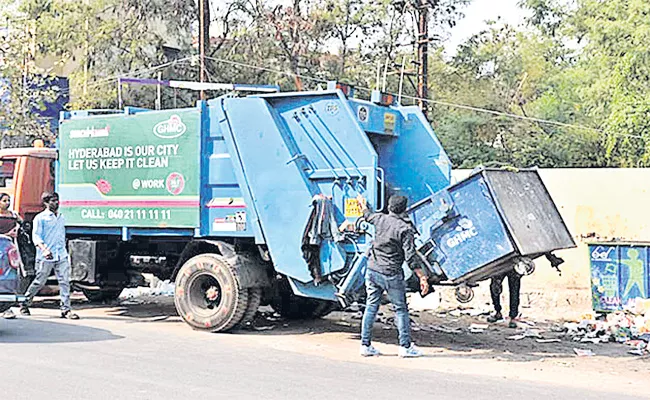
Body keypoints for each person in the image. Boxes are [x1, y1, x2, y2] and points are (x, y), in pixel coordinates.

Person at [357, 194, 429, 358]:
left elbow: (367, 215)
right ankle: (405, 347)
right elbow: (411, 257)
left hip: (373, 270)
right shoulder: (405, 229)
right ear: (404, 209)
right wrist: (422, 277)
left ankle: (365, 345)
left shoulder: (379, 219)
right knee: (401, 310)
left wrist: (362, 203)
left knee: (371, 307)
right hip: (391, 274)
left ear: (389, 206)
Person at [20, 192, 79, 319]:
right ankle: (24, 303)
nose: (56, 203)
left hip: (61, 254)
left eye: (57, 200)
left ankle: (66, 309)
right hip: (45, 256)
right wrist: (45, 250)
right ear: (46, 203)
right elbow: (36, 236)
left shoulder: (61, 217)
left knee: (64, 282)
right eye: (53, 201)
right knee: (39, 282)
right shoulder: (40, 218)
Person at [0, 193, 21, 319]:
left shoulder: (13, 215)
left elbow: (21, 224)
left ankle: (7, 308)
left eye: (8, 200)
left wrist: (16, 229)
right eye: (4, 201)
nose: (7, 203)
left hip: (10, 247)